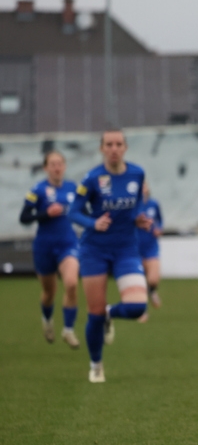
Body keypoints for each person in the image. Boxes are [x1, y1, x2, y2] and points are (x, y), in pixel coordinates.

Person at [69, 130, 152, 382]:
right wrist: (93, 223)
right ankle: (96, 364)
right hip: (94, 250)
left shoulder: (137, 174)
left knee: (138, 307)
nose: (114, 148)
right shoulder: (93, 178)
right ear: (101, 149)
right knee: (93, 313)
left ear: (125, 147)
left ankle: (109, 313)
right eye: (109, 144)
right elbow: (74, 212)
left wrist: (138, 218)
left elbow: (136, 204)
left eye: (118, 144)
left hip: (126, 248)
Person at [19, 151, 81, 348]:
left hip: (68, 243)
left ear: (64, 166)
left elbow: (85, 209)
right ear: (46, 168)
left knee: (71, 283)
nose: (57, 167)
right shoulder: (37, 190)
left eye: (60, 164)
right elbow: (24, 218)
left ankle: (68, 330)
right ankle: (47, 320)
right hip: (44, 246)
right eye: (52, 164)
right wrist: (45, 213)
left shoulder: (73, 188)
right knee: (49, 291)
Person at [136, 182, 164, 320]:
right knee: (141, 281)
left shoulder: (154, 204)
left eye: (145, 186)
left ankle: (152, 291)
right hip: (136, 247)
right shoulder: (134, 205)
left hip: (151, 247)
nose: (143, 189)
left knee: (153, 279)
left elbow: (160, 220)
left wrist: (159, 228)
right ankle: (142, 311)